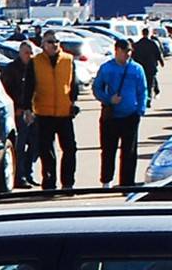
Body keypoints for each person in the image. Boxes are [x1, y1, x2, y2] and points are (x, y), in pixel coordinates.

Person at [92, 37, 148, 188]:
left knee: (129, 151)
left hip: (130, 115)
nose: (127, 54)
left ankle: (127, 183)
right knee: (108, 149)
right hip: (111, 116)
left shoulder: (136, 69)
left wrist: (140, 109)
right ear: (116, 51)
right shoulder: (107, 68)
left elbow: (142, 90)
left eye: (129, 51)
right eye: (124, 51)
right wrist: (108, 99)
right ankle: (106, 180)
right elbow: (96, 88)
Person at [28, 30, 80, 192]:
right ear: (43, 44)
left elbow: (74, 86)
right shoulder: (35, 62)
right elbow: (29, 86)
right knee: (46, 150)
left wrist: (73, 103)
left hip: (64, 113)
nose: (54, 44)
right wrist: (27, 109)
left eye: (57, 41)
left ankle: (68, 183)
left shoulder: (68, 60)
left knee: (70, 148)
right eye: (50, 41)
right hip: (44, 113)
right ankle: (49, 183)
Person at [1, 39, 39, 187]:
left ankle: (29, 172)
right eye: (26, 53)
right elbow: (6, 91)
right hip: (18, 112)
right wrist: (15, 108)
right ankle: (19, 176)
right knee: (20, 146)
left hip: (34, 112)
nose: (29, 56)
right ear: (20, 53)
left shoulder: (36, 68)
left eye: (31, 53)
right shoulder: (11, 69)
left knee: (36, 145)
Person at [135, 25, 165, 101]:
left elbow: (133, 55)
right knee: (150, 83)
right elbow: (158, 53)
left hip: (140, 66)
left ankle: (144, 97)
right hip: (151, 67)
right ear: (148, 34)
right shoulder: (152, 43)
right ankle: (149, 97)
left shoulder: (137, 44)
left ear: (142, 34)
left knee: (141, 83)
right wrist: (161, 62)